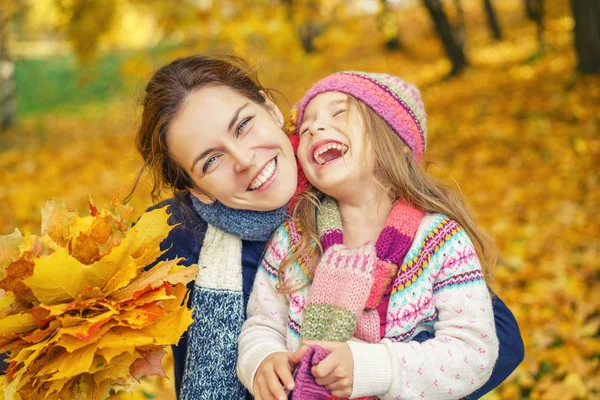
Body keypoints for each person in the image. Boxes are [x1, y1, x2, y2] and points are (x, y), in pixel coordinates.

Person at [130, 56, 523, 399]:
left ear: (270, 109)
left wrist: (367, 369)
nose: (244, 160)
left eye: (243, 125)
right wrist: (265, 361)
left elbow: (497, 341)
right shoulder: (178, 233)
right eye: (210, 161)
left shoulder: (369, 200)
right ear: (198, 191)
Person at [237, 71, 516, 400]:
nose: (313, 128)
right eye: (306, 127)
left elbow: (473, 352)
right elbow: (262, 324)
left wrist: (375, 368)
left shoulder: (441, 240)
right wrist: (262, 360)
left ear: (396, 140)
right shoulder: (295, 239)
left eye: (339, 112)